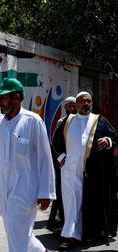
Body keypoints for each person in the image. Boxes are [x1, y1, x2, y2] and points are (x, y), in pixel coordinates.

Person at [0, 77, 56, 252]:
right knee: (18, 234)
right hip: (3, 190)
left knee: (18, 233)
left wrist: (46, 192)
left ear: (16, 98)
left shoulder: (33, 121)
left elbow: (45, 159)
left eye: (3, 97)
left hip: (25, 190)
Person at [52, 91, 117, 250]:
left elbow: (114, 136)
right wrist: (61, 159)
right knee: (71, 204)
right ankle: (70, 236)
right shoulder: (68, 120)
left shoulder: (99, 120)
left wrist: (107, 141)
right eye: (81, 102)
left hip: (92, 172)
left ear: (91, 103)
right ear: (76, 104)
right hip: (69, 171)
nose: (85, 104)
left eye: (88, 101)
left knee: (89, 203)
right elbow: (55, 140)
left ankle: (87, 233)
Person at [47, 96, 77, 233]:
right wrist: (61, 159)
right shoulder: (61, 122)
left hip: (77, 162)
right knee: (62, 191)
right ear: (66, 107)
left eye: (74, 105)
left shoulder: (81, 120)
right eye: (69, 106)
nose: (72, 108)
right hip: (64, 162)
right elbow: (55, 142)